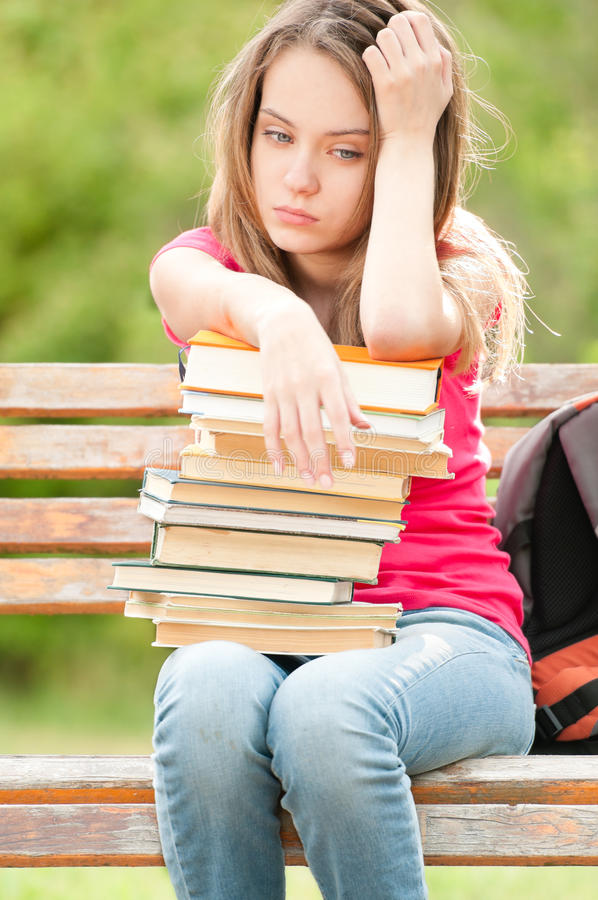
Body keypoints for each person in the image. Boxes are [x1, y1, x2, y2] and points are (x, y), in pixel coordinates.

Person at [149, 1, 536, 897]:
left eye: (347, 149)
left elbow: (398, 326)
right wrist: (277, 315)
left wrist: (412, 133)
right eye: (278, 136)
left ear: (402, 156)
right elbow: (184, 280)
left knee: (327, 709)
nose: (299, 178)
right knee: (201, 681)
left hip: (447, 641)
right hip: (268, 633)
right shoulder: (208, 268)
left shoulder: (451, 278)